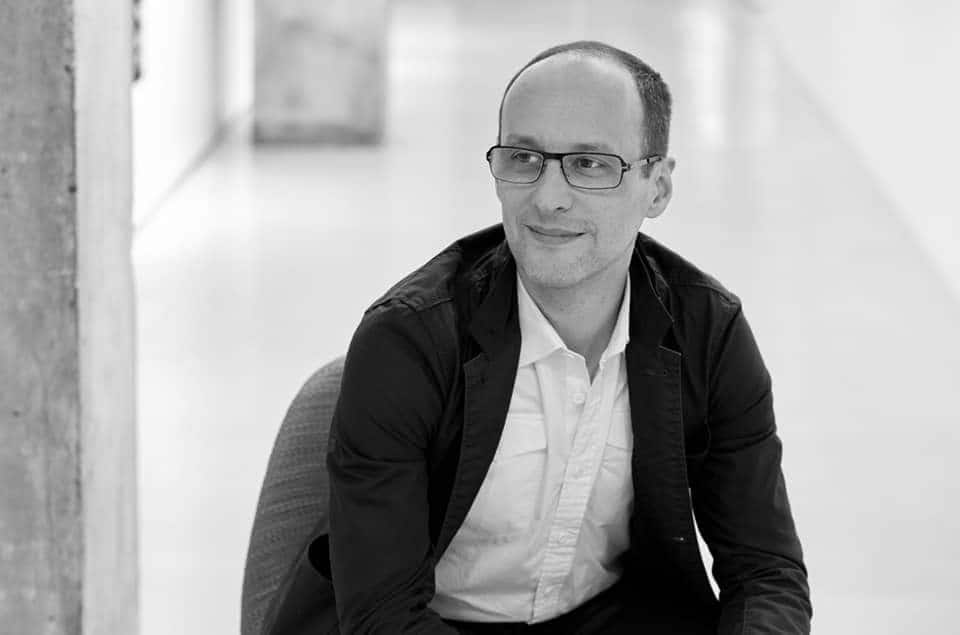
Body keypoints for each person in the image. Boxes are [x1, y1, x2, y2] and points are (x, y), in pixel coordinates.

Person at [268, 40, 811, 634]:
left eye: (591, 164)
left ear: (656, 187)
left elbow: (765, 573)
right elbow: (383, 614)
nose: (549, 198)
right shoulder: (409, 341)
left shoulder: (709, 333)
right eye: (524, 158)